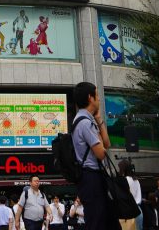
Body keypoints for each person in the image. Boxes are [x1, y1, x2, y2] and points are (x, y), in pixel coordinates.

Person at [71, 81, 112, 230]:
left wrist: (99, 118)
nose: (99, 100)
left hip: (91, 177)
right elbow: (101, 153)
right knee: (96, 221)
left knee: (101, 219)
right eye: (97, 96)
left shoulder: (87, 120)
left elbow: (106, 144)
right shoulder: (84, 123)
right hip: (91, 177)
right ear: (90, 98)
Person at [118, 160, 142, 230]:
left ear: (123, 168)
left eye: (119, 168)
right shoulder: (136, 180)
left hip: (128, 212)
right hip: (138, 211)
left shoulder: (124, 180)